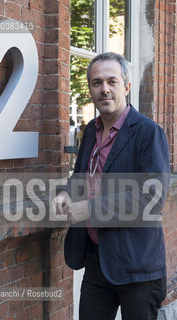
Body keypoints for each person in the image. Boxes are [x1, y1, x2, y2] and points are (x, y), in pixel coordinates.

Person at [52, 52, 170, 320]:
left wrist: (90, 210)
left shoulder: (148, 132)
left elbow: (151, 198)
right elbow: (81, 175)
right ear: (91, 90)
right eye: (96, 83)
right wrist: (65, 193)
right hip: (97, 261)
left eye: (111, 81)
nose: (104, 89)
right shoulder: (91, 132)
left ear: (126, 86)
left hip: (137, 265)